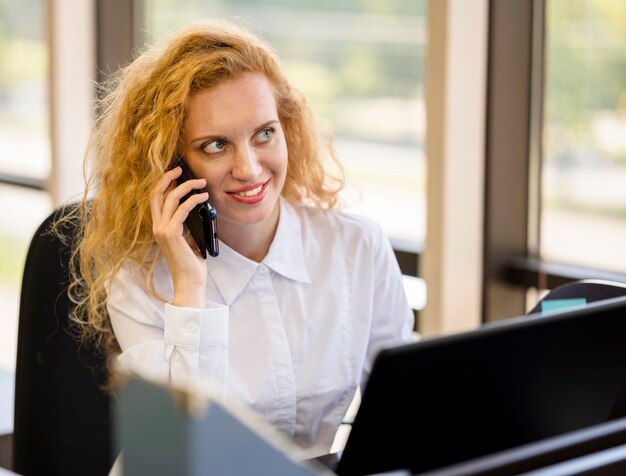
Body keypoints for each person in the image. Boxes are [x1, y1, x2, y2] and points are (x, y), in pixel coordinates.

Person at [65, 19, 415, 457]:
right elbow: (179, 446)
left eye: (264, 133)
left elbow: (407, 412)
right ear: (173, 166)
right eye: (215, 145)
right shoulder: (140, 277)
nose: (249, 168)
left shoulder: (356, 248)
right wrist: (190, 289)